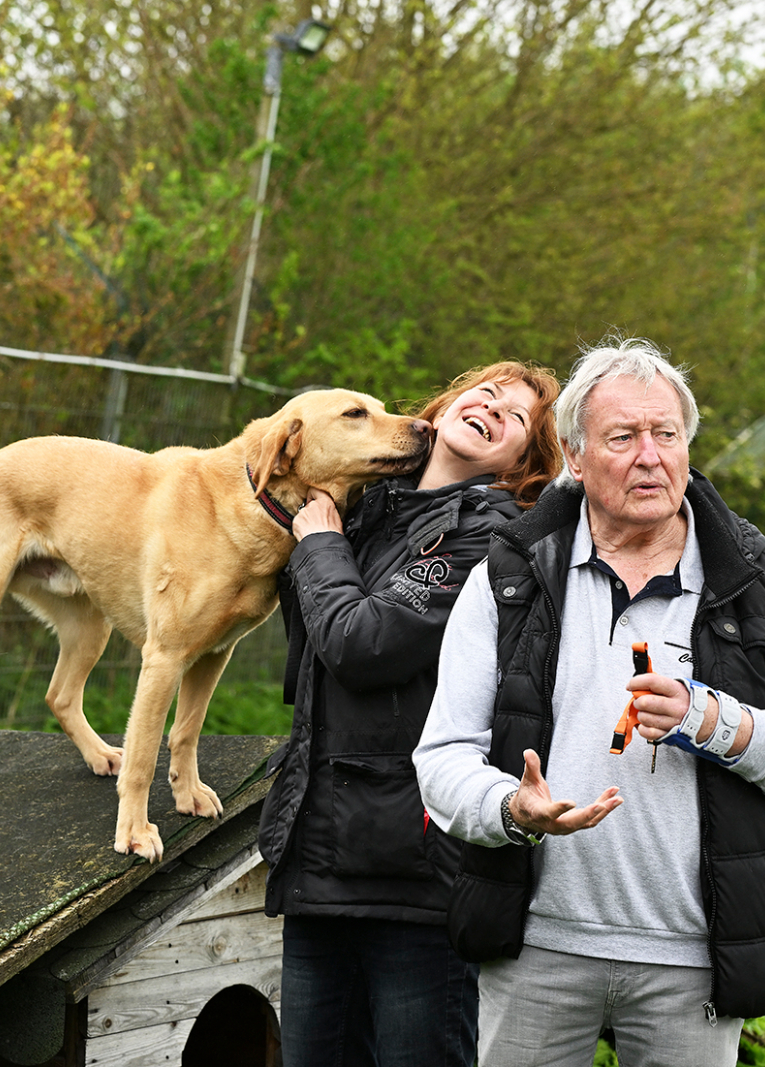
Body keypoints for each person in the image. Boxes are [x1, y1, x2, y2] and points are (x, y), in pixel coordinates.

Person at [413, 339, 765, 1067]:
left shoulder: (759, 590)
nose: (650, 456)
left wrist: (720, 723)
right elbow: (441, 755)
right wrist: (507, 810)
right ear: (576, 456)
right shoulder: (509, 576)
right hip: (534, 946)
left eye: (667, 434)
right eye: (623, 436)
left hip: (694, 961)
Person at [259, 361, 565, 1067]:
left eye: (515, 415)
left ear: (521, 461)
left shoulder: (486, 536)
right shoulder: (363, 507)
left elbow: (363, 645)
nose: (491, 406)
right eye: (483, 391)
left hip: (415, 872)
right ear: (445, 404)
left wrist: (320, 545)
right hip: (320, 855)